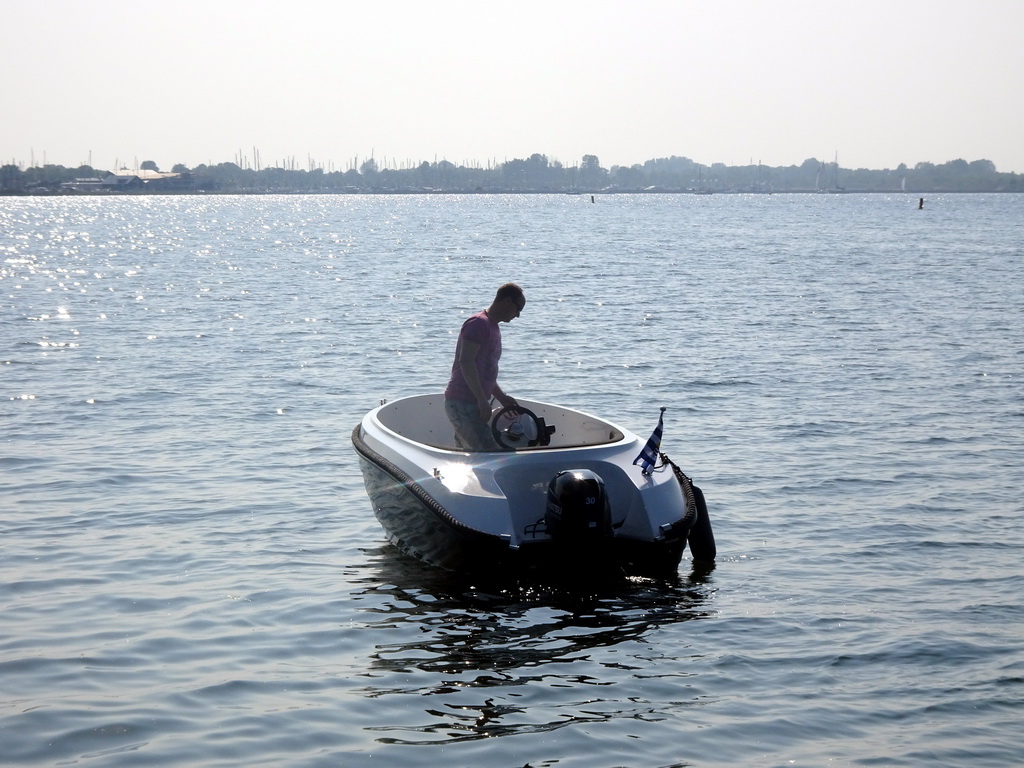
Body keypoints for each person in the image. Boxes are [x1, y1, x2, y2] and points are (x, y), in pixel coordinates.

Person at [444, 282, 526, 450]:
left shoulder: (492, 327)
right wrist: (482, 400)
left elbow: (484, 373)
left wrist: (502, 398)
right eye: (518, 309)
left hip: (472, 403)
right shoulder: (478, 324)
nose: (518, 315)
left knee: (466, 457)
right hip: (463, 402)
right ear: (507, 301)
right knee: (488, 454)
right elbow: (466, 362)